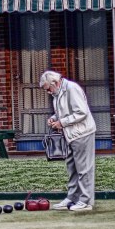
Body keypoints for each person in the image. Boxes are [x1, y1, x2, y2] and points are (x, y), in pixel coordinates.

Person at [39, 71, 96, 211]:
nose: (47, 92)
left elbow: (81, 112)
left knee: (84, 169)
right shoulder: (57, 93)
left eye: (48, 88)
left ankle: (86, 201)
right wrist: (54, 118)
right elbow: (65, 111)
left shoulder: (72, 88)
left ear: (55, 83)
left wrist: (62, 122)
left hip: (82, 133)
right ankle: (72, 198)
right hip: (70, 134)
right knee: (72, 168)